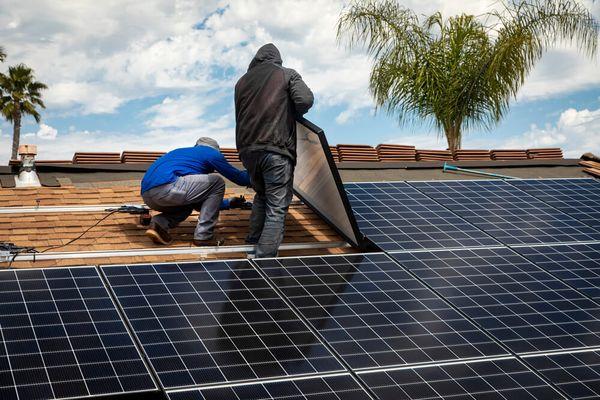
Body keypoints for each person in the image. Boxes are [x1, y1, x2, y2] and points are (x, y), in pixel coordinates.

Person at [235, 43, 314, 258]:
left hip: (248, 150)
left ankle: (252, 244)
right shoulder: (285, 74)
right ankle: (264, 259)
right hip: (275, 147)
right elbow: (304, 100)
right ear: (277, 60)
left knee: (262, 195)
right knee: (277, 205)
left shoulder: (241, 82)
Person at [141, 137, 250, 246]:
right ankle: (204, 236)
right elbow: (239, 178)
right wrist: (259, 174)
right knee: (217, 182)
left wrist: (228, 203)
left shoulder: (182, 153)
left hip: (148, 196)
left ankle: (158, 225)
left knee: (187, 206)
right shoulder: (211, 153)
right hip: (168, 187)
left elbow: (199, 205)